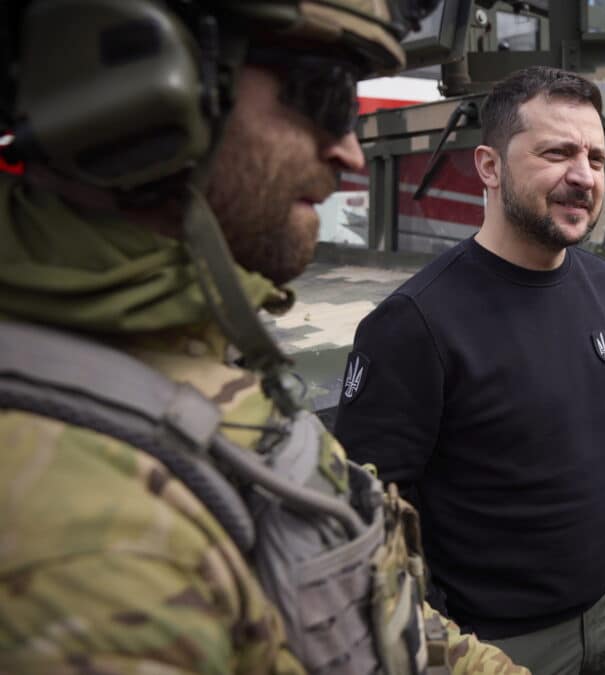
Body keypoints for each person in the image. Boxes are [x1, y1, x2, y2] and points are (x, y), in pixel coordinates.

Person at [0, 2, 525, 673]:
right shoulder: (82, 549)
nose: (350, 151)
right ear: (145, 93)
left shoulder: (185, 341)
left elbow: (373, 617)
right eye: (326, 96)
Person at [334, 66, 605, 675]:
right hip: (497, 646)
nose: (583, 176)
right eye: (557, 152)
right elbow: (368, 514)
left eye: (595, 156)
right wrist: (439, 639)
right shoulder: (414, 323)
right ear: (488, 167)